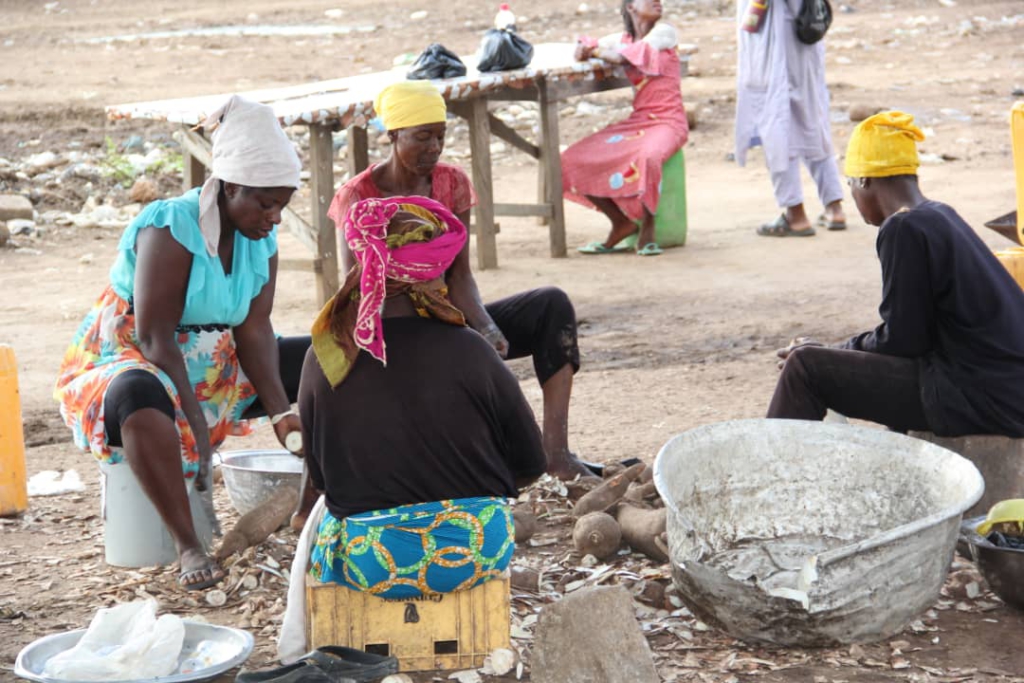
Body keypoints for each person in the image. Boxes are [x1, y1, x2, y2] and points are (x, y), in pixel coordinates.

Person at [54, 96, 310, 590]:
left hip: (214, 362)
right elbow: (153, 337)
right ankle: (188, 542)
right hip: (132, 352)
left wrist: (282, 415)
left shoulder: (262, 240)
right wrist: (193, 419)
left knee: (328, 359)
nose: (276, 216)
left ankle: (321, 500)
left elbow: (255, 329)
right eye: (266, 202)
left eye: (283, 203)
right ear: (230, 186)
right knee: (138, 394)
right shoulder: (170, 225)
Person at [327, 80, 591, 481]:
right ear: (393, 134)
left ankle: (556, 454)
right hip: (391, 331)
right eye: (422, 137)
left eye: (440, 136)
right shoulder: (358, 196)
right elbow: (355, 289)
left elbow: (460, 275)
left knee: (551, 307)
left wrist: (486, 326)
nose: (434, 147)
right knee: (470, 362)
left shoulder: (450, 183)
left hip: (449, 317)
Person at [301, 195, 547, 598]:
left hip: (373, 563)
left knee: (324, 528)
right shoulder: (472, 350)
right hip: (474, 553)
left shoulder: (326, 356)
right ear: (430, 274)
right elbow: (531, 464)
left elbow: (323, 480)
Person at [768, 111, 1024, 436]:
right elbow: (916, 333)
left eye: (850, 185)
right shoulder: (939, 215)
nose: (854, 199)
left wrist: (831, 351)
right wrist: (838, 350)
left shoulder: (902, 227)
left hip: (982, 396)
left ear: (864, 180)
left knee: (804, 368)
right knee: (825, 360)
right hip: (1005, 389)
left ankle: (764, 475)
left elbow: (904, 340)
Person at [563, 0, 689, 256]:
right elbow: (587, 44)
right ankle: (620, 222)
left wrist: (593, 51)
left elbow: (620, 56)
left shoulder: (665, 32)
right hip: (640, 120)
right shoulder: (623, 39)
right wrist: (584, 46)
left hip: (669, 122)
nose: (657, 2)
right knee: (571, 159)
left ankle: (649, 226)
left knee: (648, 156)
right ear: (630, 6)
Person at [735, 0, 847, 237]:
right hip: (803, 31)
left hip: (774, 39)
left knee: (775, 119)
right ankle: (834, 206)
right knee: (812, 118)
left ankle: (795, 213)